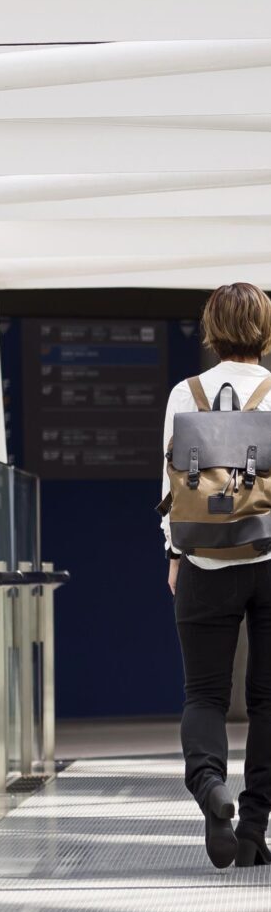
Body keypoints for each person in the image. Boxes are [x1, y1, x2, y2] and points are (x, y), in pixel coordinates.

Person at [164, 282, 271, 870]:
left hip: (203, 556)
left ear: (212, 328)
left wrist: (174, 557)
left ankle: (211, 792)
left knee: (204, 693)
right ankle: (253, 830)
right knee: (268, 701)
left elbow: (170, 482)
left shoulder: (187, 392)